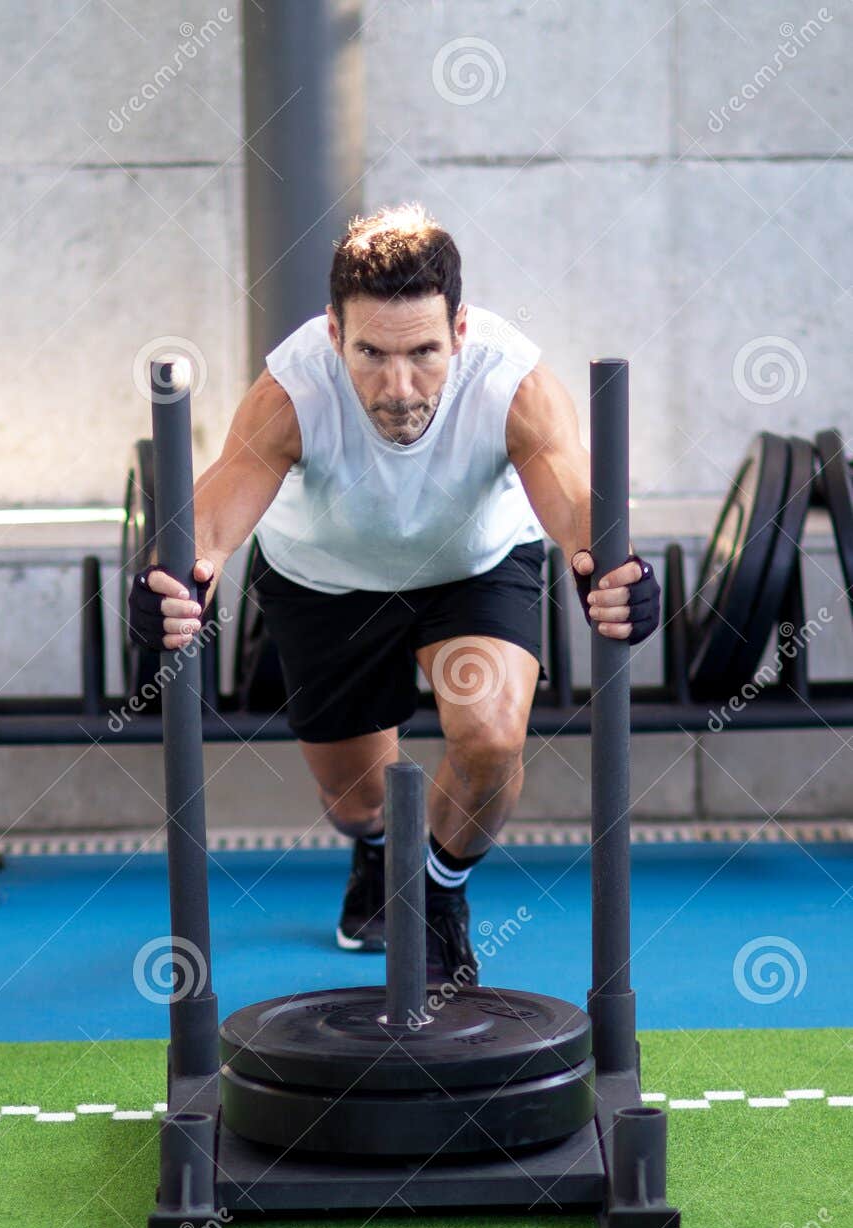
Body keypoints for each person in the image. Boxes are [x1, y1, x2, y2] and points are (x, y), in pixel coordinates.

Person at [130, 203, 659, 988]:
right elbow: (210, 513)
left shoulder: (512, 383)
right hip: (325, 582)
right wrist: (165, 579)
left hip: (471, 569)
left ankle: (437, 895)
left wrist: (611, 570)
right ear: (334, 333)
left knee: (488, 739)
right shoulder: (293, 388)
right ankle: (376, 849)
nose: (398, 385)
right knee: (354, 798)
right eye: (371, 352)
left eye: (422, 352)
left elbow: (576, 500)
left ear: (460, 330)